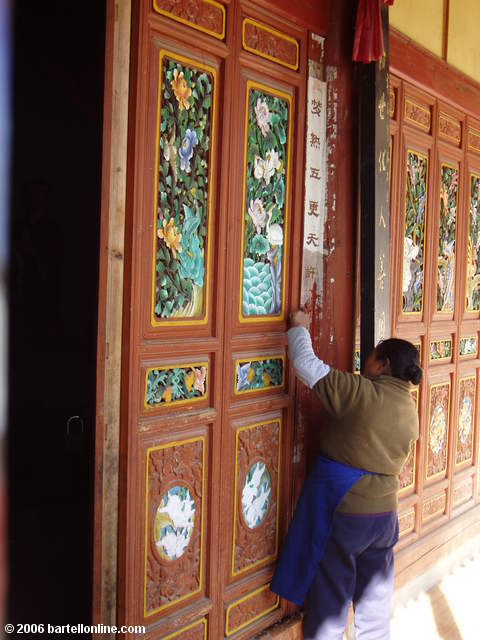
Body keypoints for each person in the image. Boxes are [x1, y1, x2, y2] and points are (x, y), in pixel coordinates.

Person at [271, 309, 422, 640]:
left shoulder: (361, 393)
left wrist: (298, 327)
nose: (364, 363)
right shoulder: (410, 411)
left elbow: (305, 365)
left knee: (331, 598)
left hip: (349, 515)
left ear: (382, 364)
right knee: (375, 601)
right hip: (385, 519)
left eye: (370, 358)